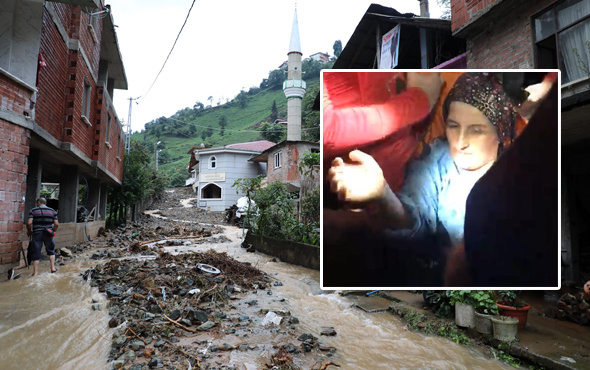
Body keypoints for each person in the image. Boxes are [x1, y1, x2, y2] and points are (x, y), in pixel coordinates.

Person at [327, 72, 519, 286]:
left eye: (477, 131)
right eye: (454, 126)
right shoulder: (435, 163)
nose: (461, 142)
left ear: (501, 135)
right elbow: (415, 218)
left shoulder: (520, 179)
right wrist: (383, 194)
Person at [26, 197, 59, 276]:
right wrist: (53, 231)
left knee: (36, 252)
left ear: (38, 202)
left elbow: (29, 223)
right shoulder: (52, 211)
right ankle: (52, 268)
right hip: (48, 233)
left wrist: (29, 231)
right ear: (45, 203)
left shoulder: (33, 210)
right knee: (50, 250)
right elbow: (56, 224)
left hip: (37, 233)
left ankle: (35, 272)